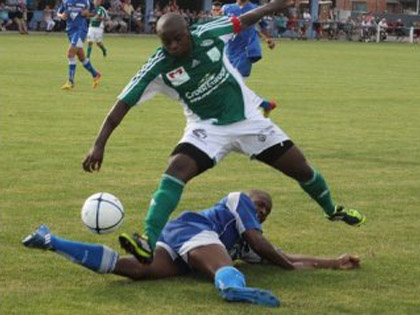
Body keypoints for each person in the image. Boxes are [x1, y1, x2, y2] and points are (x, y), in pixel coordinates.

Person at [82, 1, 366, 264]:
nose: (172, 45)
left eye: (177, 38)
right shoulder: (158, 65)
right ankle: (148, 240)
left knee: (301, 169)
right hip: (206, 129)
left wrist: (278, 5)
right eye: (165, 41)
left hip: (250, 122)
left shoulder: (209, 31)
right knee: (176, 168)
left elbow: (246, 18)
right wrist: (98, 144)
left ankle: (332, 210)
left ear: (188, 31)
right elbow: (122, 104)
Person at [22, 190, 360, 308]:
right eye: (260, 205)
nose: (260, 211)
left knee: (138, 271)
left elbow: (282, 256)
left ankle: (51, 240)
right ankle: (230, 286)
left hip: (179, 246)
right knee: (226, 264)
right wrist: (281, 264)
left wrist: (334, 262)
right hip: (193, 229)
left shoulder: (245, 241)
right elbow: (264, 245)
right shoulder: (236, 202)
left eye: (265, 212)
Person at [222, 0, 276, 117]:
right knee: (231, 84)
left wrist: (268, 38)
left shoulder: (255, 8)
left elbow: (261, 26)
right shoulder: (227, 8)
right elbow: (222, 26)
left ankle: (237, 113)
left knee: (235, 84)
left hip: (246, 51)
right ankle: (265, 104)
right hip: (229, 51)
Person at [57, 0, 102, 90]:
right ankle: (95, 74)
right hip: (70, 31)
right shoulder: (65, 1)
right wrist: (61, 16)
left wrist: (87, 14)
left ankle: (70, 82)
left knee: (70, 54)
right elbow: (58, 12)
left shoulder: (86, 2)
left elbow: (95, 13)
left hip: (80, 30)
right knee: (81, 57)